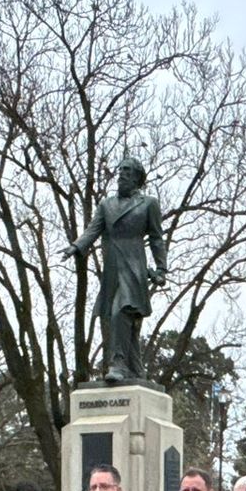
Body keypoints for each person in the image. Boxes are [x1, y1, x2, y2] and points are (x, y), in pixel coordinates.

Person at [62, 156, 168, 383]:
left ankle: (118, 364)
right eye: (120, 170)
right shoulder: (106, 205)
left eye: (127, 171)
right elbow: (93, 230)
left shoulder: (148, 203)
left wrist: (161, 269)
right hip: (112, 267)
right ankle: (136, 369)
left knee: (122, 310)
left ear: (138, 178)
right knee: (117, 318)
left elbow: (157, 238)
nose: (121, 174)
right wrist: (76, 247)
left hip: (134, 266)